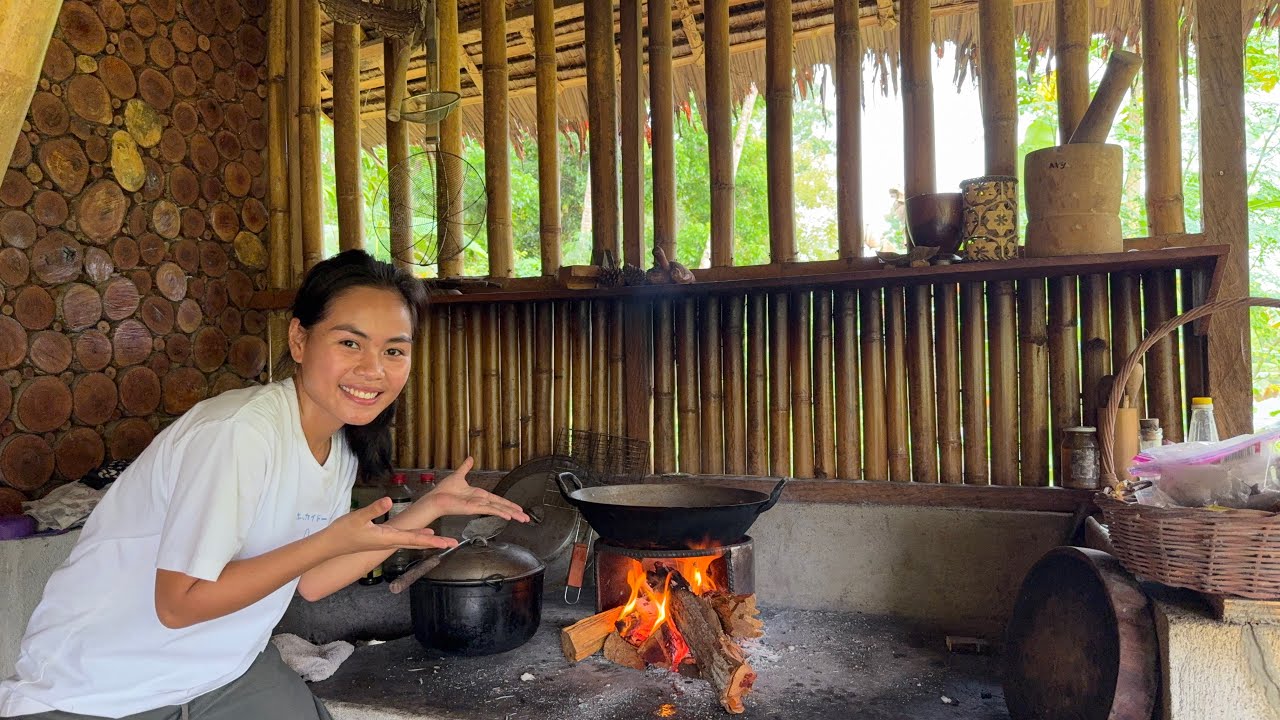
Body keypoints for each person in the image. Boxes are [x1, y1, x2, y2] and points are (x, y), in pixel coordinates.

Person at [0, 249, 528, 719]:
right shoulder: (238, 433)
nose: (373, 370)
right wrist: (327, 541)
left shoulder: (339, 444)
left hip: (222, 671)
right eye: (350, 342)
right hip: (98, 688)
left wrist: (428, 507)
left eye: (394, 350)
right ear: (299, 339)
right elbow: (178, 605)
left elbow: (311, 581)